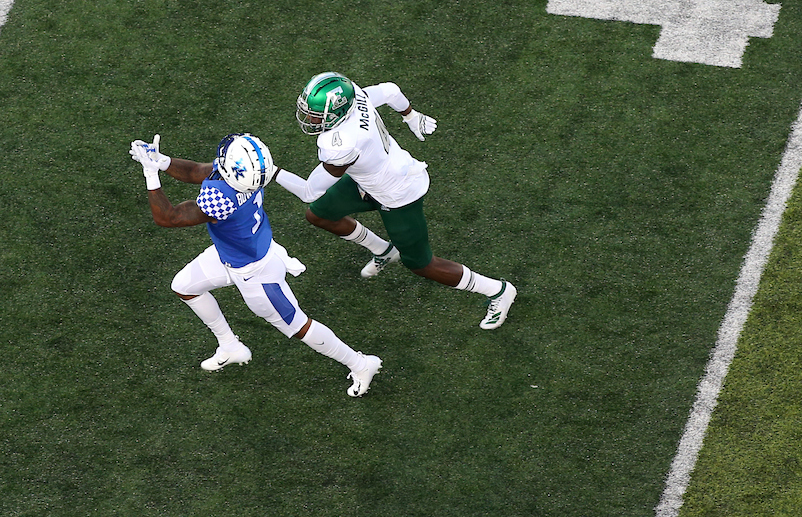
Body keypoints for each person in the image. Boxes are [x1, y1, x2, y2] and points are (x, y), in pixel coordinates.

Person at [129, 131, 383, 397]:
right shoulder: (248, 177)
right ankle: (230, 346)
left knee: (299, 327)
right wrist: (163, 161)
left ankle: (361, 364)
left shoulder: (221, 199)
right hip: (237, 252)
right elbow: (199, 172)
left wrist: (151, 174)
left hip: (255, 272)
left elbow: (168, 218)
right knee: (183, 286)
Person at [272, 71, 516, 330]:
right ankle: (384, 250)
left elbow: (310, 191)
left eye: (315, 114)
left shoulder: (340, 143)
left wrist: (272, 172)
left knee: (421, 264)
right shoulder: (353, 97)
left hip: (397, 192)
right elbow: (389, 91)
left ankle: (498, 290)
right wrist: (410, 115)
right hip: (370, 179)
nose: (309, 118)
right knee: (318, 215)